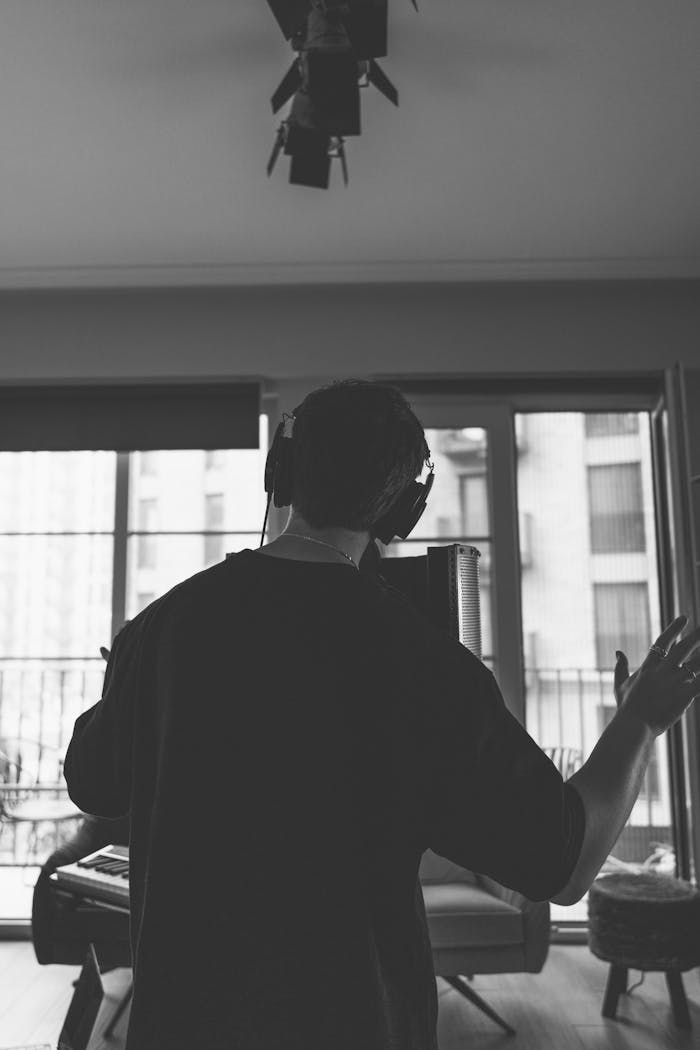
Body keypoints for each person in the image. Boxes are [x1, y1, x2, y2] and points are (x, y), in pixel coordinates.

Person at [63, 378, 700, 1050]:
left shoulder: (162, 627)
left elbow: (93, 783)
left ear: (280, 474)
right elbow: (564, 865)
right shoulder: (428, 663)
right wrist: (640, 721)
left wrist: (125, 681)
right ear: (404, 506)